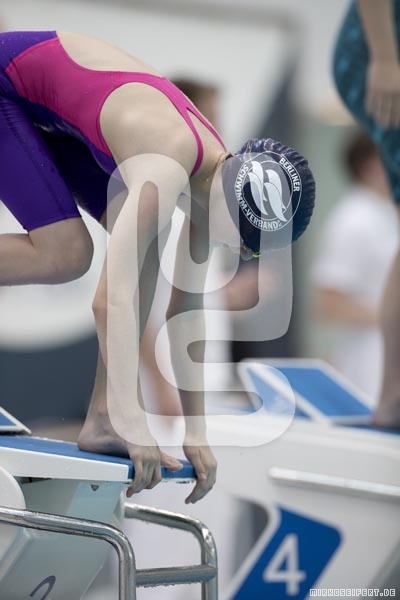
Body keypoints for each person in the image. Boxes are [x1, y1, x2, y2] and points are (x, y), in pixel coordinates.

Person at [0, 30, 315, 501]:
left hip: (49, 107)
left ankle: (103, 416)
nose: (241, 253)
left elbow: (185, 311)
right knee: (67, 253)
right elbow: (110, 302)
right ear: (236, 208)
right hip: (8, 87)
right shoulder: (168, 163)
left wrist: (196, 431)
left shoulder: (215, 181)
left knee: (145, 245)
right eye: (247, 242)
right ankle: (116, 413)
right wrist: (136, 418)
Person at [333, 0, 400, 427]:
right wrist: (385, 57)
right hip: (381, 55)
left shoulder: (373, 213)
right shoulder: (354, 217)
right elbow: (329, 302)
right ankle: (392, 396)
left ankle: (392, 395)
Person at [313, 131, 398, 399]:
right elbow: (329, 304)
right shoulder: (352, 221)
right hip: (369, 371)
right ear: (370, 165)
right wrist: (390, 315)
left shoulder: (386, 214)